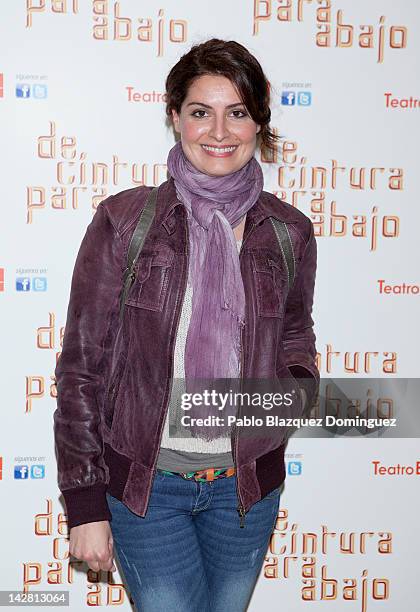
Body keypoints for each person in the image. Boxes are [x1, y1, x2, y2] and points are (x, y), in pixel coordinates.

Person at [53, 38, 320, 612]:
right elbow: (81, 367)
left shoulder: (288, 232)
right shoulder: (125, 223)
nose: (219, 132)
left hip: (246, 492)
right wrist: (85, 505)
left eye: (238, 112)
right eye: (201, 112)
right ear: (175, 117)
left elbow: (296, 335)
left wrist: (292, 393)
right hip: (147, 491)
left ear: (258, 122)